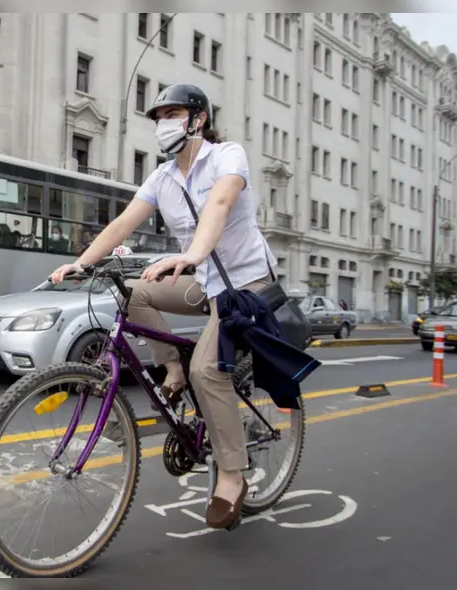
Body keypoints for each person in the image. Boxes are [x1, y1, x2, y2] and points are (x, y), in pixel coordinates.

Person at [49, 83, 274, 530]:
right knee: (131, 291)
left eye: (173, 114)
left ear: (199, 119)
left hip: (245, 284)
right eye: (158, 117)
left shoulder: (227, 155)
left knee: (207, 371)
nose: (163, 124)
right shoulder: (163, 177)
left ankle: (231, 476)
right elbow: (121, 223)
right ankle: (169, 368)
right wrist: (80, 263)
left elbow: (222, 202)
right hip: (205, 281)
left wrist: (191, 255)